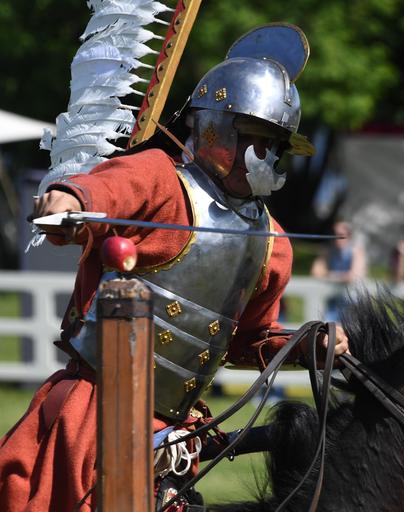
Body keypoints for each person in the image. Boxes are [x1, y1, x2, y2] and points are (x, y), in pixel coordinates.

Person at [0, 24, 348, 512]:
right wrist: (71, 201)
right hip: (97, 412)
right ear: (214, 130)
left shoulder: (275, 245)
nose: (266, 157)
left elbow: (246, 340)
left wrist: (305, 344)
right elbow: (105, 191)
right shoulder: (160, 178)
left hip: (176, 435)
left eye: (277, 146)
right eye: (256, 139)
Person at [311, 220, 367, 321]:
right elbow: (316, 272)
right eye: (334, 234)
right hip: (333, 303)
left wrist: (329, 275)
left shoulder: (356, 251)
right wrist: (340, 276)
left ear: (349, 236)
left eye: (340, 234)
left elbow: (353, 276)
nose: (336, 237)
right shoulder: (329, 251)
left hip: (351, 303)